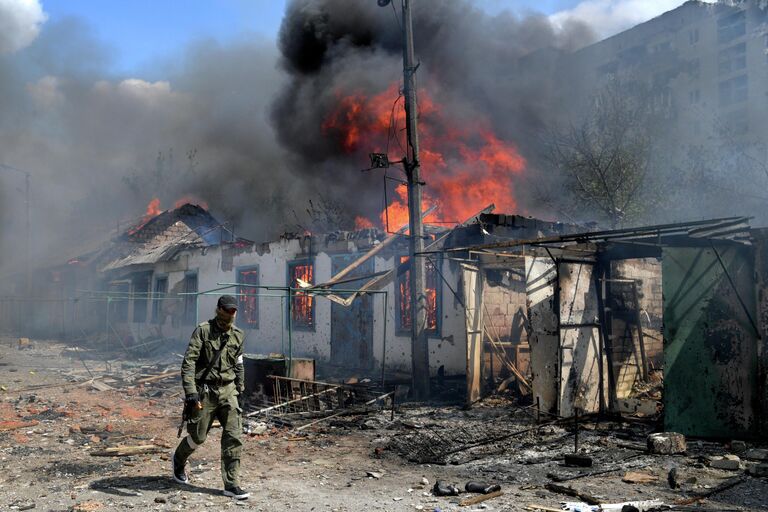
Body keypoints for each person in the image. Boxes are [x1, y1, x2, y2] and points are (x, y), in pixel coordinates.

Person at [172, 295, 249, 499]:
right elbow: (189, 362)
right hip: (205, 392)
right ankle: (178, 460)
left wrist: (240, 389)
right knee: (197, 437)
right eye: (227, 310)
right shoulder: (203, 331)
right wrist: (191, 392)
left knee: (233, 437)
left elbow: (239, 364)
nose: (230, 314)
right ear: (218, 310)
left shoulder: (238, 335)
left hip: (228, 390)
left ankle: (231, 484)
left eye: (233, 311)